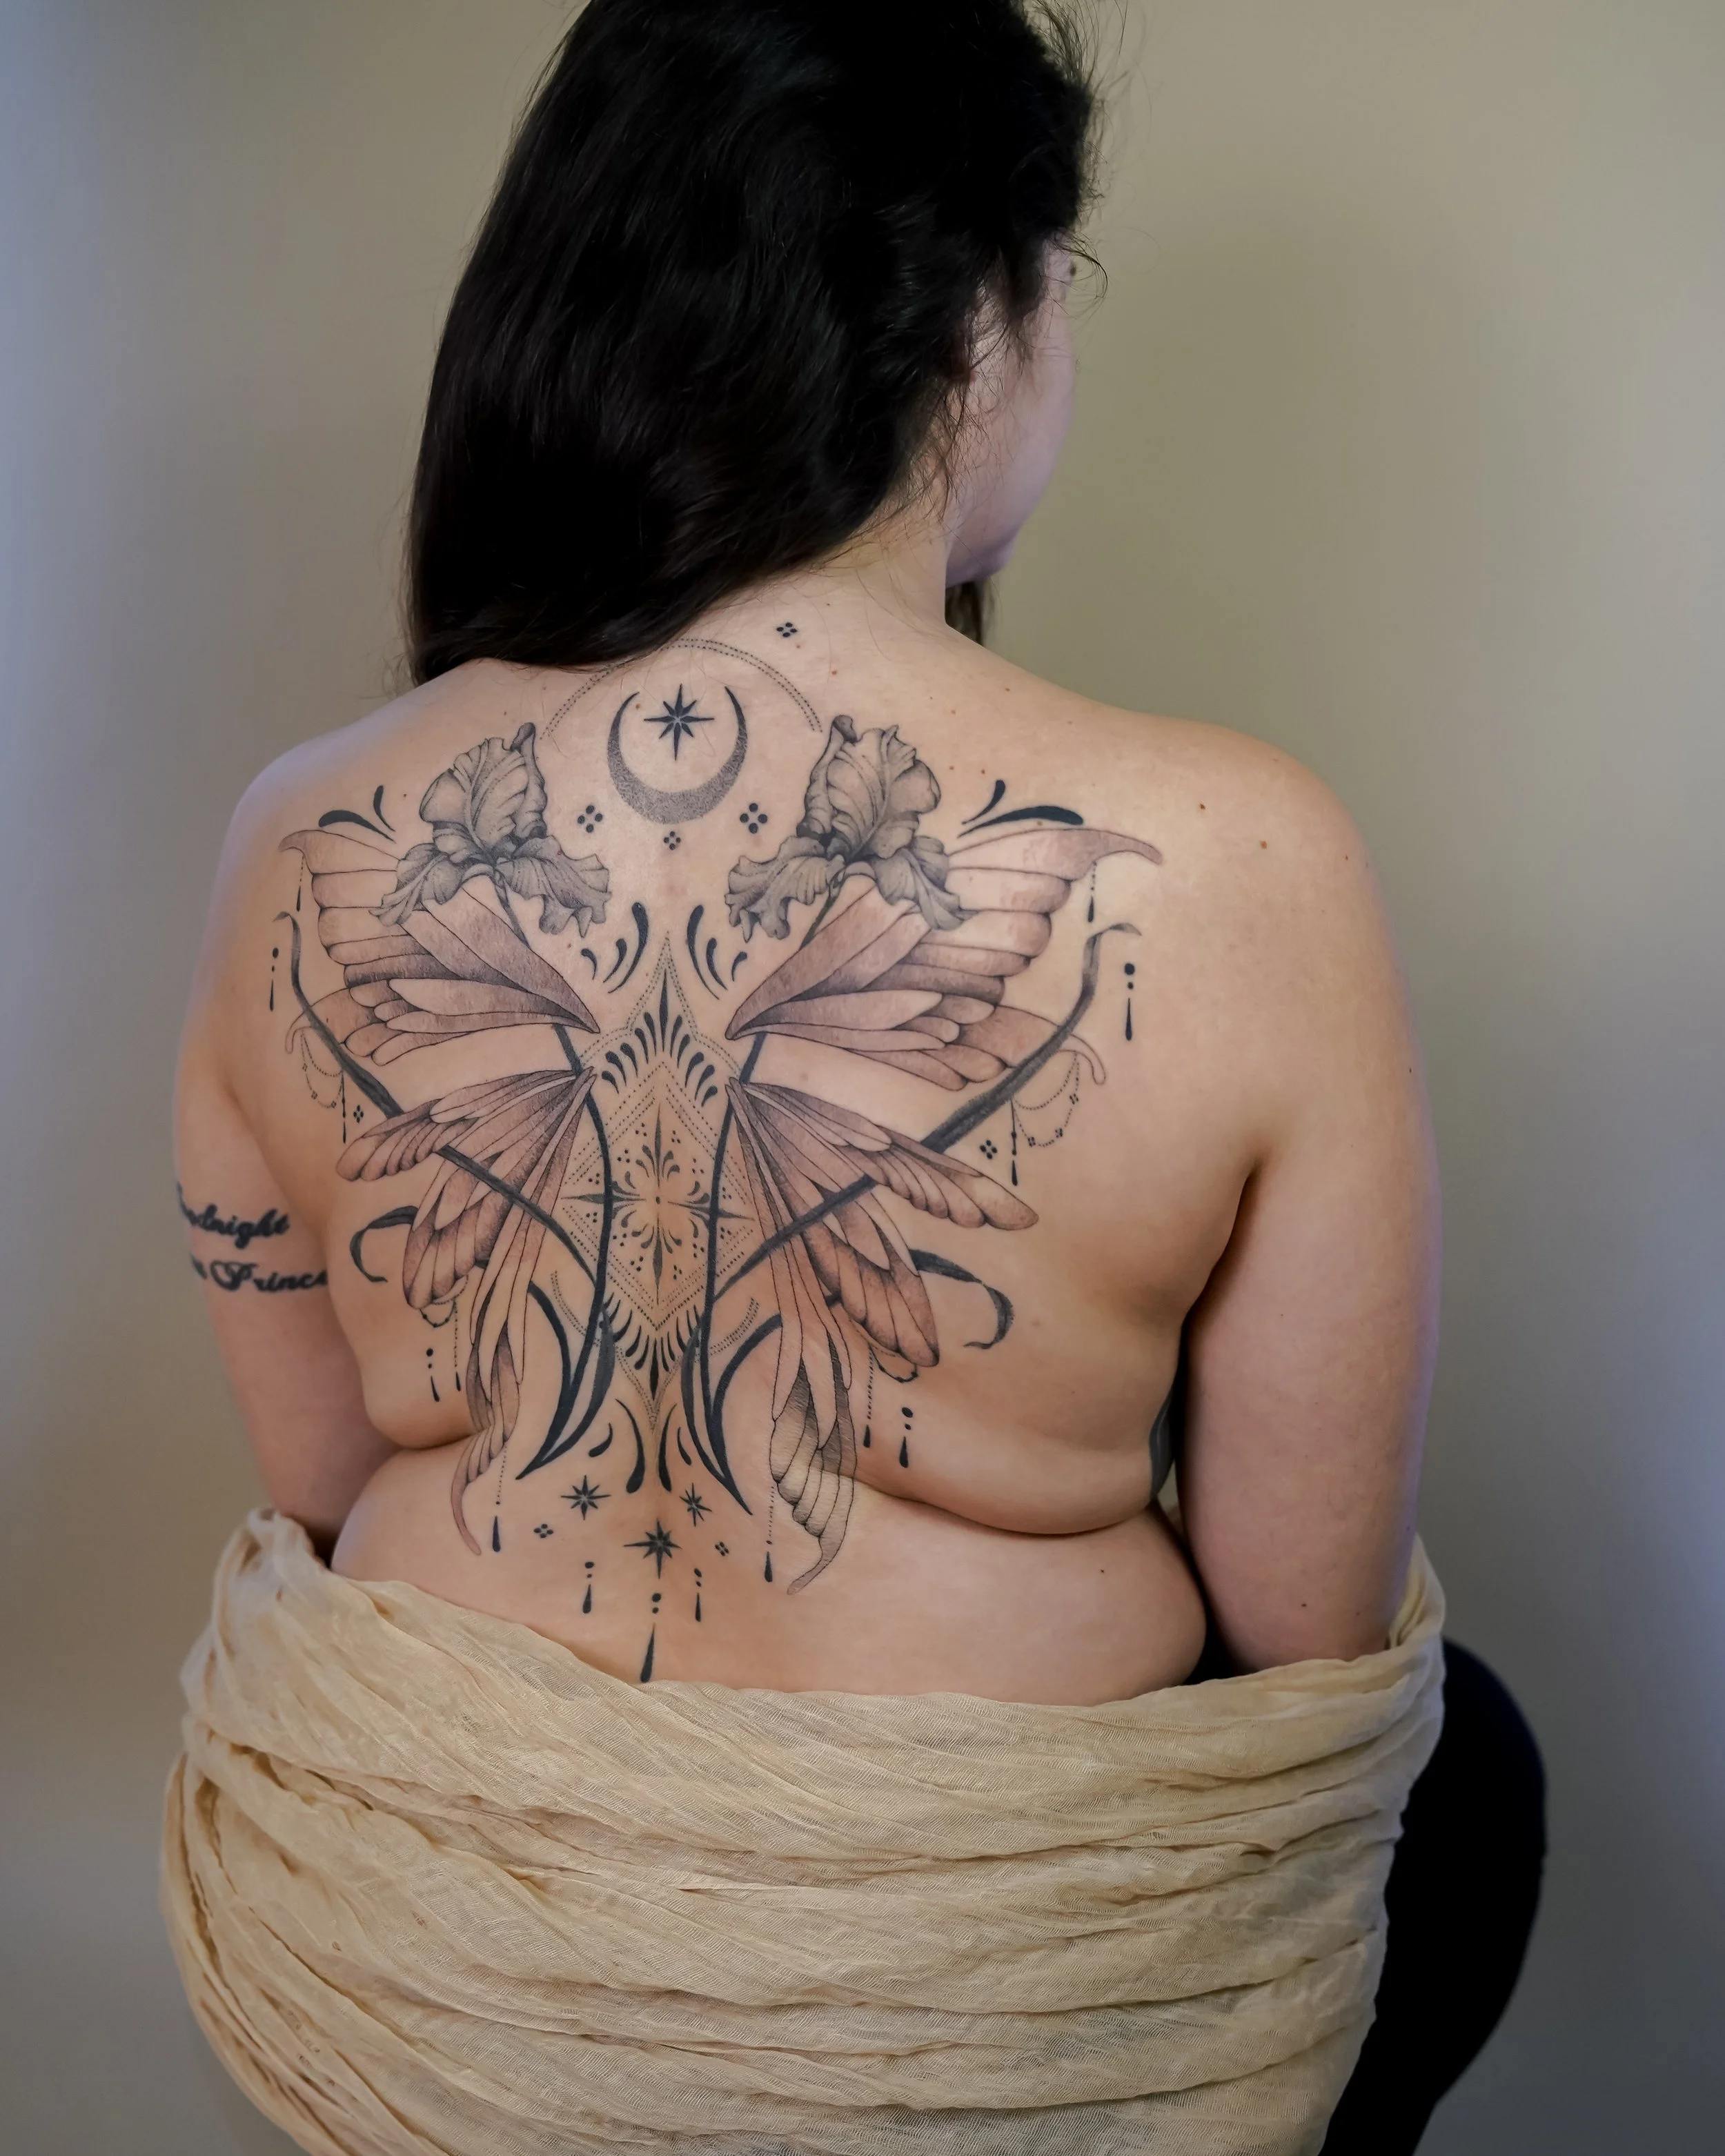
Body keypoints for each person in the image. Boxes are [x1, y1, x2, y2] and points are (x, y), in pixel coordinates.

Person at [164, 5, 1539, 2151]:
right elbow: (1306, 1639)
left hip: (438, 1985)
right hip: (973, 2014)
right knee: (1474, 1759)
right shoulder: (1240, 860)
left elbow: (329, 1496)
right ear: (977, 315)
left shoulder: (295, 836)